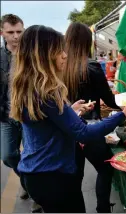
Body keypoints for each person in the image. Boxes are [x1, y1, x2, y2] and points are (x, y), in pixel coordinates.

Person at [10, 25, 126, 213]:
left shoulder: (29, 88)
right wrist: (124, 113)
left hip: (35, 173)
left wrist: (70, 110)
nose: (64, 55)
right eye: (58, 50)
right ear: (43, 55)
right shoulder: (49, 92)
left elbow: (47, 123)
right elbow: (83, 133)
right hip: (53, 176)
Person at [63, 22, 121, 213]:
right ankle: (103, 208)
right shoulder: (92, 66)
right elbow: (110, 100)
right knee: (104, 168)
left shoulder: (60, 66)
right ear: (87, 41)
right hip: (90, 128)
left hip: (67, 131)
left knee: (75, 177)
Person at [0, 14, 43, 213]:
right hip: (5, 116)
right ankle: (27, 181)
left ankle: (37, 195)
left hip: (29, 115)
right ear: (2, 33)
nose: (16, 36)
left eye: (19, 31)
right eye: (11, 32)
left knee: (32, 157)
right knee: (8, 156)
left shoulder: (32, 55)